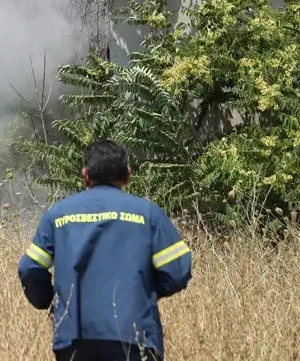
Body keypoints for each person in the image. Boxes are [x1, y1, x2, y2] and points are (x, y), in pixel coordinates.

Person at [17, 140, 192, 361]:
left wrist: (48, 300)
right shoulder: (148, 213)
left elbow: (29, 268)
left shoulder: (58, 214)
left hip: (73, 338)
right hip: (134, 336)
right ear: (127, 175)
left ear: (85, 176)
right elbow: (177, 270)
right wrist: (145, 292)